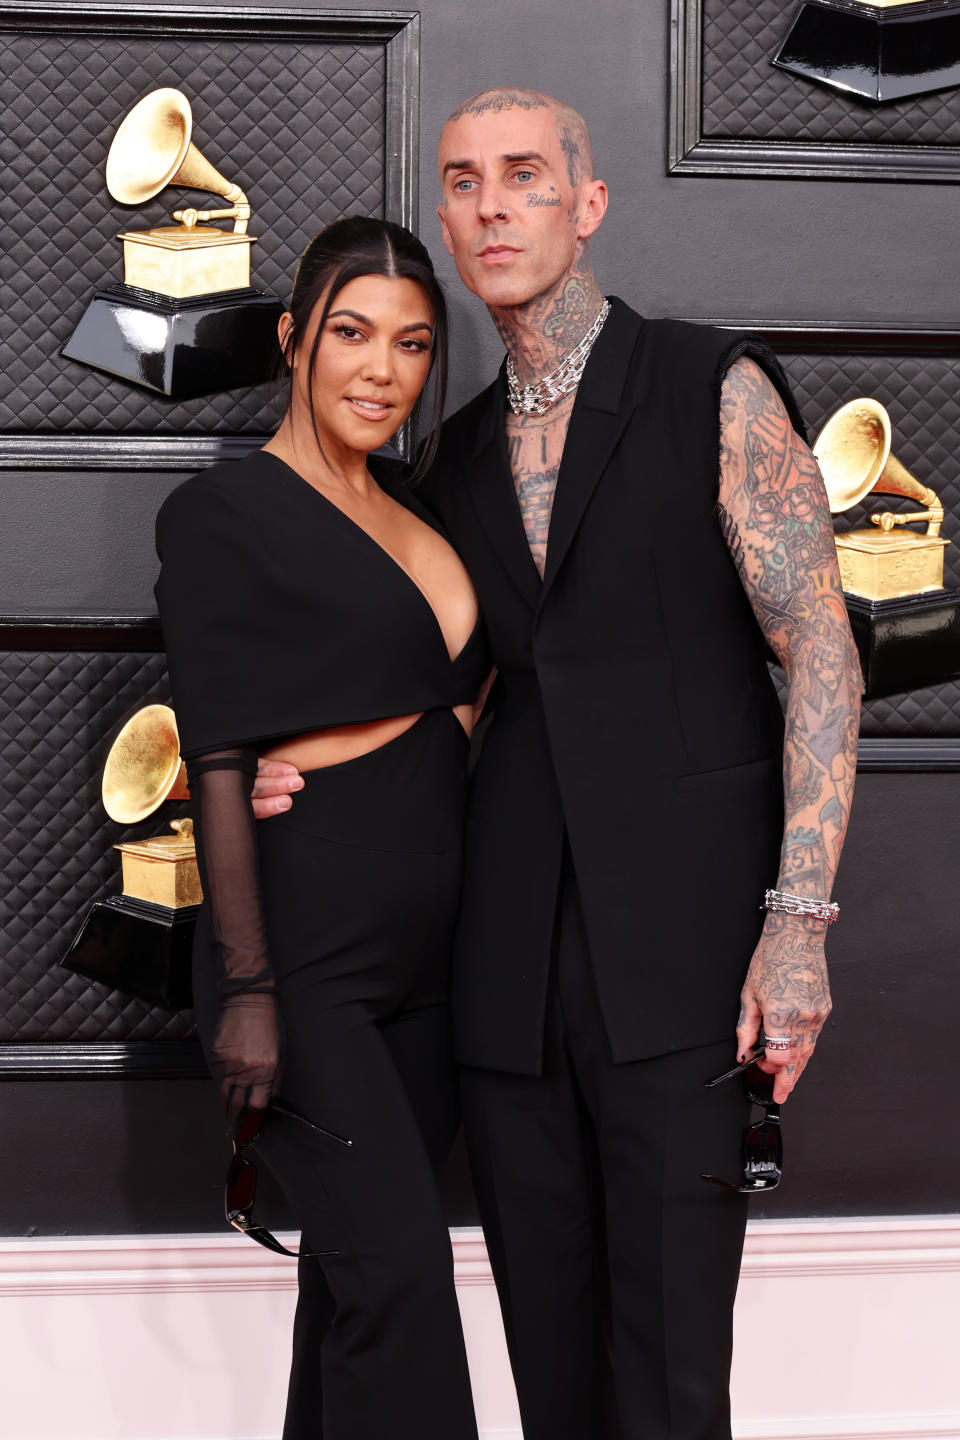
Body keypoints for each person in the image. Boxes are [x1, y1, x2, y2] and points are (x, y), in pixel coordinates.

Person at [254, 91, 862, 1440]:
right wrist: (289, 773)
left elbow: (820, 647)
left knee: (668, 1382)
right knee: (552, 1377)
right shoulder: (454, 454)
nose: (491, 205)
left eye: (525, 176)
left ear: (586, 204)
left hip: (687, 959)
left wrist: (798, 924)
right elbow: (442, 701)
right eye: (465, 181)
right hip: (505, 966)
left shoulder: (713, 383)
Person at [154, 217, 484, 1440]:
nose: (379, 369)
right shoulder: (224, 512)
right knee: (398, 1280)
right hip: (307, 962)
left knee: (348, 1291)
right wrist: (250, 986)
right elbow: (219, 755)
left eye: (410, 343)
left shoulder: (425, 506)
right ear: (294, 339)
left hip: (439, 967)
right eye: (350, 332)